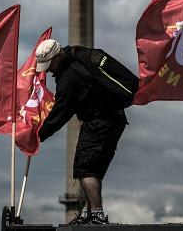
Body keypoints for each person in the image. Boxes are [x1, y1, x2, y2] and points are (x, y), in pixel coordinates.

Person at [36, 39, 129, 225]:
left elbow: (61, 112)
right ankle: (90, 214)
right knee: (88, 166)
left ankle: (96, 215)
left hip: (100, 121)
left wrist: (40, 134)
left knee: (87, 168)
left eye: (49, 65)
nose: (47, 70)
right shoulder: (78, 56)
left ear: (58, 56)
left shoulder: (69, 77)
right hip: (109, 119)